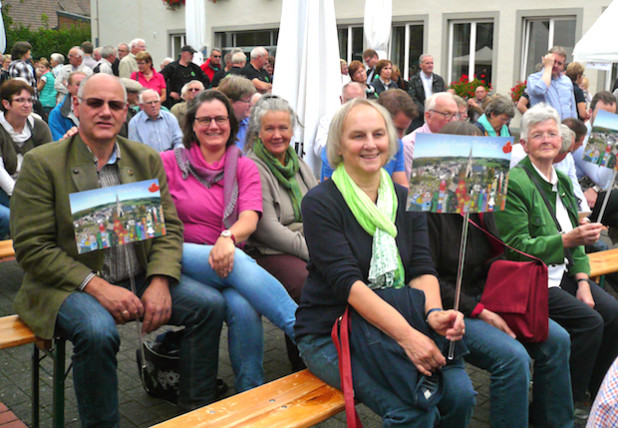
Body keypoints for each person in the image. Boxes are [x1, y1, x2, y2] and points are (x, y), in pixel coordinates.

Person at [11, 73, 226, 425]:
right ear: (76, 107)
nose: (105, 112)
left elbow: (170, 228)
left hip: (136, 276)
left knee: (210, 306)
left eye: (115, 105)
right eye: (95, 103)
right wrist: (97, 287)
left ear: (127, 112)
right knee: (98, 332)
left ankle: (195, 413)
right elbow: (32, 248)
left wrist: (159, 280)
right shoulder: (43, 163)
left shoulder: (145, 158)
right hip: (70, 285)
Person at [295, 97, 475, 427]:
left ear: (390, 141)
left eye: (378, 134)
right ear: (338, 145)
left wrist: (434, 314)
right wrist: (408, 337)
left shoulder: (406, 198)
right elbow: (348, 284)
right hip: (332, 330)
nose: (370, 144)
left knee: (461, 396)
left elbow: (422, 268)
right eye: (357, 136)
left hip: (398, 320)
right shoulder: (320, 202)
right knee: (412, 411)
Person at [428, 120, 574, 427]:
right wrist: (481, 311)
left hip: (490, 298)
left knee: (557, 339)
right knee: (513, 358)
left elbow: (501, 256)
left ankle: (555, 422)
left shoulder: (482, 205)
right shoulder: (427, 213)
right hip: (454, 309)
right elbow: (428, 279)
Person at [159, 89, 298, 392]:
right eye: (204, 119)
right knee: (239, 262)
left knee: (244, 307)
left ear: (231, 124)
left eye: (220, 119)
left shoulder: (244, 166)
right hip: (179, 254)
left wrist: (228, 236)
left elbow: (249, 216)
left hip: (225, 257)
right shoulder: (167, 162)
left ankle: (251, 392)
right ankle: (303, 330)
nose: (213, 126)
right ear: (191, 125)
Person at [494, 103, 618, 423]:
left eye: (552, 133)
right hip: (531, 279)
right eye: (537, 135)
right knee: (589, 323)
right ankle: (567, 402)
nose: (547, 139)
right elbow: (516, 248)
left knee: (613, 312)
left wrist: (581, 281)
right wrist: (568, 241)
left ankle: (599, 391)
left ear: (562, 141)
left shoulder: (561, 179)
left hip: (561, 273)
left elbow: (575, 238)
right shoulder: (515, 182)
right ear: (524, 144)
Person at [244, 95, 318, 370]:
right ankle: (304, 361)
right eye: (270, 129)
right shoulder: (252, 166)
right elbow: (267, 229)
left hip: (304, 241)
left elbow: (318, 201)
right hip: (268, 249)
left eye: (283, 128)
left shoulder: (296, 161)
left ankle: (335, 346)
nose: (277, 135)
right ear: (257, 132)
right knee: (307, 284)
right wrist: (313, 250)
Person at [0, 79, 52, 237]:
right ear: (6, 104)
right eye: (20, 100)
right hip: (5, 189)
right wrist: (21, 195)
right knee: (11, 218)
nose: (27, 105)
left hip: (34, 185)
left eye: (29, 100)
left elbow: (49, 161)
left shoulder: (39, 126)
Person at [402, 92, 458, 177]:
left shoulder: (458, 140)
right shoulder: (411, 143)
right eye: (447, 114)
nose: (453, 120)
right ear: (428, 117)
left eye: (455, 115)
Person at [526, 46, 576, 120]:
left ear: (563, 66)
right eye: (553, 61)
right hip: (545, 128)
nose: (555, 65)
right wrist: (548, 67)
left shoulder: (567, 81)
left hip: (564, 128)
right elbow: (540, 89)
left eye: (559, 63)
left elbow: (572, 108)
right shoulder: (534, 78)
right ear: (546, 60)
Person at [407, 54, 446, 132]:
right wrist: (425, 110)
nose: (430, 65)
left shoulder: (438, 80)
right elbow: (412, 98)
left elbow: (443, 96)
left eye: (432, 63)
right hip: (419, 117)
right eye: (427, 63)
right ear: (421, 65)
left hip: (436, 115)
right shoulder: (414, 80)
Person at [217, 75, 256, 150]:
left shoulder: (251, 125)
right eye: (248, 101)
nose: (251, 105)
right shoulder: (214, 128)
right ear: (230, 103)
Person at [48, 71, 87, 141]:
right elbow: (58, 143)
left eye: (85, 84)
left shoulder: (96, 110)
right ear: (69, 87)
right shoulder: (57, 113)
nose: (82, 87)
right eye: (78, 84)